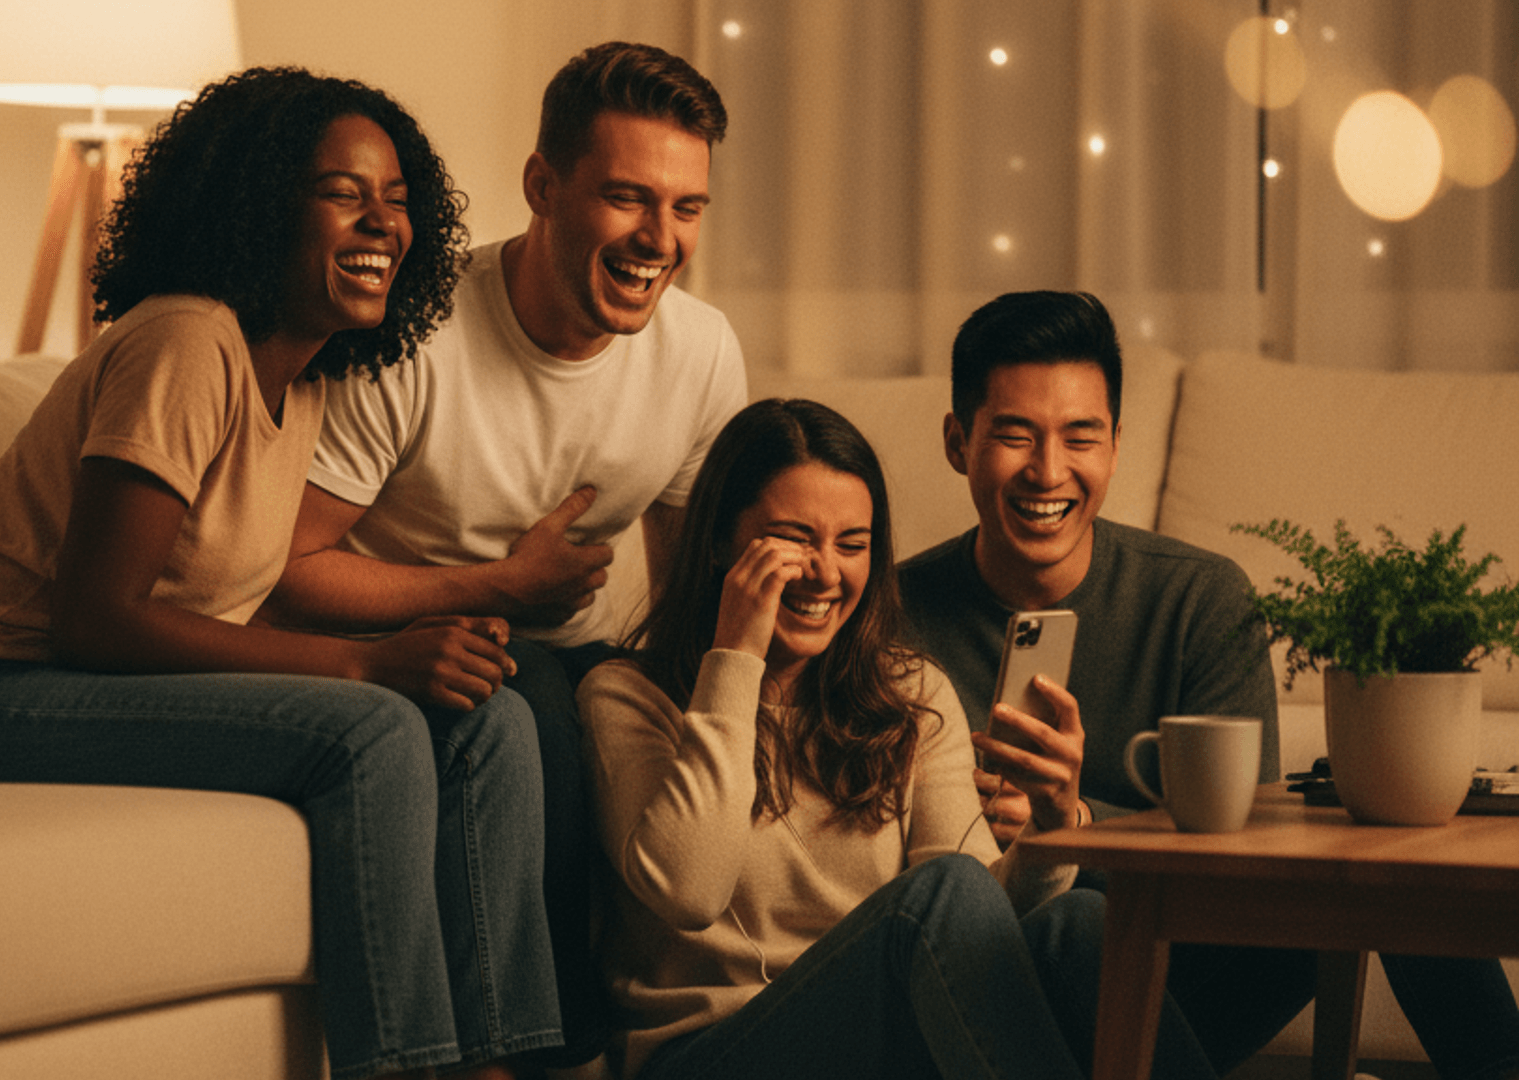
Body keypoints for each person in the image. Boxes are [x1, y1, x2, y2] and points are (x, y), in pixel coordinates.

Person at [0, 68, 564, 1080]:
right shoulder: (187, 340)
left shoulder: (311, 379)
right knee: (373, 726)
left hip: (71, 687)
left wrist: (434, 637)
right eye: (342, 193)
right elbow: (95, 619)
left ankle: (498, 1066)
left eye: (399, 199)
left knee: (489, 718)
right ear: (260, 202)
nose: (383, 223)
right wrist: (366, 669)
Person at [260, 41, 748, 1070]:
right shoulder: (413, 333)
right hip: (402, 653)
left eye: (687, 209)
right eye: (627, 198)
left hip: (579, 661)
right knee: (532, 715)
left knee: (611, 711)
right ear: (542, 185)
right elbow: (286, 568)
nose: (659, 239)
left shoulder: (700, 350)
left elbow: (689, 582)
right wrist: (494, 586)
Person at [898, 289, 1519, 1078]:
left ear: (1117, 445)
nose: (1048, 472)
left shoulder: (1197, 597)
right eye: (1014, 436)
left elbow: (1243, 848)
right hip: (988, 985)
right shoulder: (891, 619)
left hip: (1183, 977)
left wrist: (1075, 820)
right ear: (958, 442)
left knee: (1395, 858)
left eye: (1079, 437)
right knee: (1079, 925)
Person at [575, 398, 1217, 1079]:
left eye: (852, 545)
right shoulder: (626, 696)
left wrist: (1051, 829)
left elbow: (977, 922)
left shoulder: (910, 695)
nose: (826, 573)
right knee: (938, 894)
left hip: (873, 1046)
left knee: (1080, 923)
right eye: (794, 539)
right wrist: (736, 657)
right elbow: (690, 892)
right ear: (717, 544)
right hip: (709, 1054)